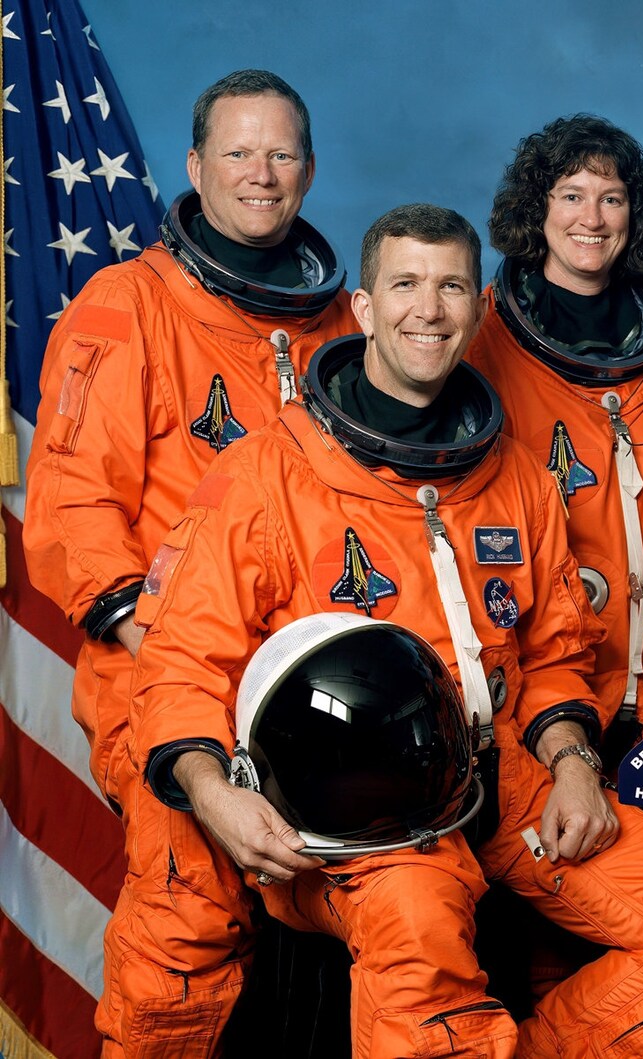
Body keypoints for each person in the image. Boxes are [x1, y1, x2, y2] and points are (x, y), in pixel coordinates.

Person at [126, 204, 643, 1058]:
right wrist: (214, 792)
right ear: (362, 308)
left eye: (451, 285)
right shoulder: (267, 473)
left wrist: (573, 761)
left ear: (477, 306)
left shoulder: (521, 481)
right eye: (406, 285)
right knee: (423, 953)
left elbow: (555, 656)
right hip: (354, 816)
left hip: (500, 775)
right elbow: (178, 663)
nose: (428, 308)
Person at [22, 68, 358, 1054]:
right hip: (171, 674)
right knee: (191, 915)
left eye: (282, 152)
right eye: (240, 151)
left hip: (312, 677)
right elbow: (73, 508)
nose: (262, 172)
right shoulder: (127, 303)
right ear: (195, 166)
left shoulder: (340, 327)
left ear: (308, 169)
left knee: (392, 908)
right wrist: (171, 647)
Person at [468, 114, 643, 756]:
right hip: (549, 703)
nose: (593, 219)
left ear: (635, 214)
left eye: (612, 198)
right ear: (537, 209)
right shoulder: (480, 341)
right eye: (571, 195)